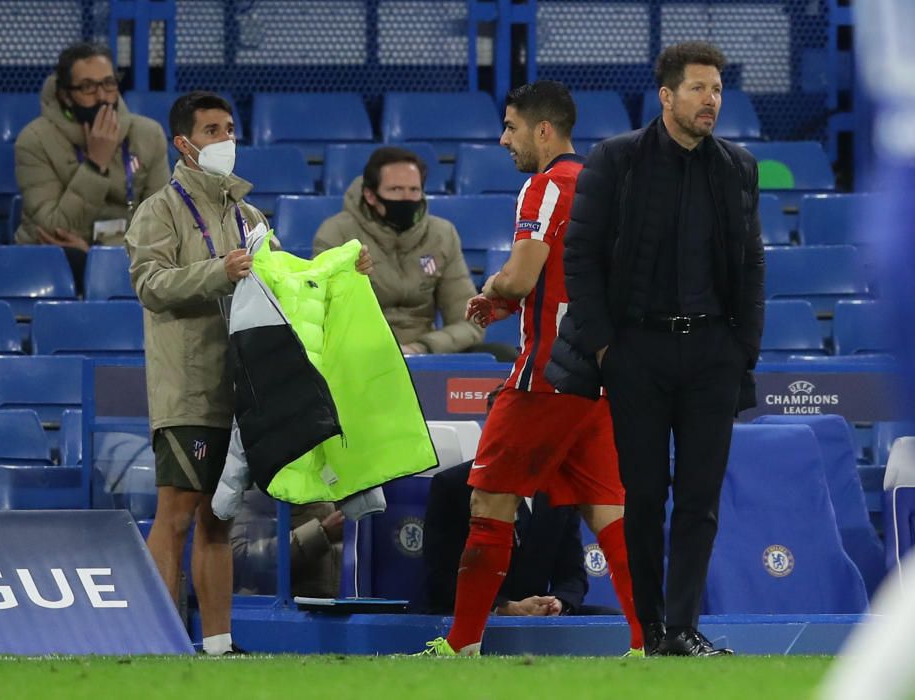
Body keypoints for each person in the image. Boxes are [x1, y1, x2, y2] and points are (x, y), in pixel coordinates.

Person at [126, 91, 372, 656]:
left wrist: (338, 274)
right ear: (184, 144)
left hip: (243, 386)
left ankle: (217, 645)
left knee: (218, 518)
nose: (225, 140)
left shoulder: (249, 217)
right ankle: (161, 643)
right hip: (188, 386)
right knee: (178, 513)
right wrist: (219, 270)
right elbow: (150, 285)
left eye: (229, 127)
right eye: (212, 130)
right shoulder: (157, 212)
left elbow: (287, 287)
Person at [545, 42, 765, 656]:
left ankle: (684, 628)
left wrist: (742, 347)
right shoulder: (616, 161)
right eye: (698, 89)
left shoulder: (737, 166)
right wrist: (606, 348)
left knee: (700, 499)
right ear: (666, 96)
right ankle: (651, 632)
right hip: (636, 351)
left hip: (713, 355)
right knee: (642, 496)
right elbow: (580, 258)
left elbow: (751, 262)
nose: (710, 100)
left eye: (717, 90)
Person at [419, 81, 641, 657]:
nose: (503, 139)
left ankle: (461, 643)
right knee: (610, 513)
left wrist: (495, 288)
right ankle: (648, 642)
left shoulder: (543, 187)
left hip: (545, 377)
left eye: (511, 127)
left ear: (544, 130)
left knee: (488, 501)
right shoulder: (609, 188)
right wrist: (512, 301)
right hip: (599, 378)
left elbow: (519, 277)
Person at [15, 41, 169, 291]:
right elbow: (53, 229)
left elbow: (160, 228)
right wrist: (96, 165)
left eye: (108, 83)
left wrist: (99, 256)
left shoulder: (148, 134)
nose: (102, 96)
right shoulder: (34, 140)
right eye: (87, 87)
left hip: (123, 263)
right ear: (65, 95)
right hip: (55, 266)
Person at [313, 147, 488, 356]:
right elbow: (320, 313)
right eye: (396, 189)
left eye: (414, 190)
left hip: (423, 355)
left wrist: (422, 347)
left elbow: (469, 321)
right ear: (370, 195)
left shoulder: (442, 234)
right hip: (357, 354)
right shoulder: (337, 233)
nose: (407, 198)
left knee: (501, 355)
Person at [422, 460, 592, 617]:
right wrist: (504, 607)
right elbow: (441, 577)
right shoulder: (453, 484)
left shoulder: (560, 485)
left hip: (537, 618)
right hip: (468, 614)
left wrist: (557, 603)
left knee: (612, 618)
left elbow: (572, 574)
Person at [231, 491, 343, 598]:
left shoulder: (331, 491)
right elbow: (242, 555)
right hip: (282, 607)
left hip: (331, 606)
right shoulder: (257, 497)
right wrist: (321, 533)